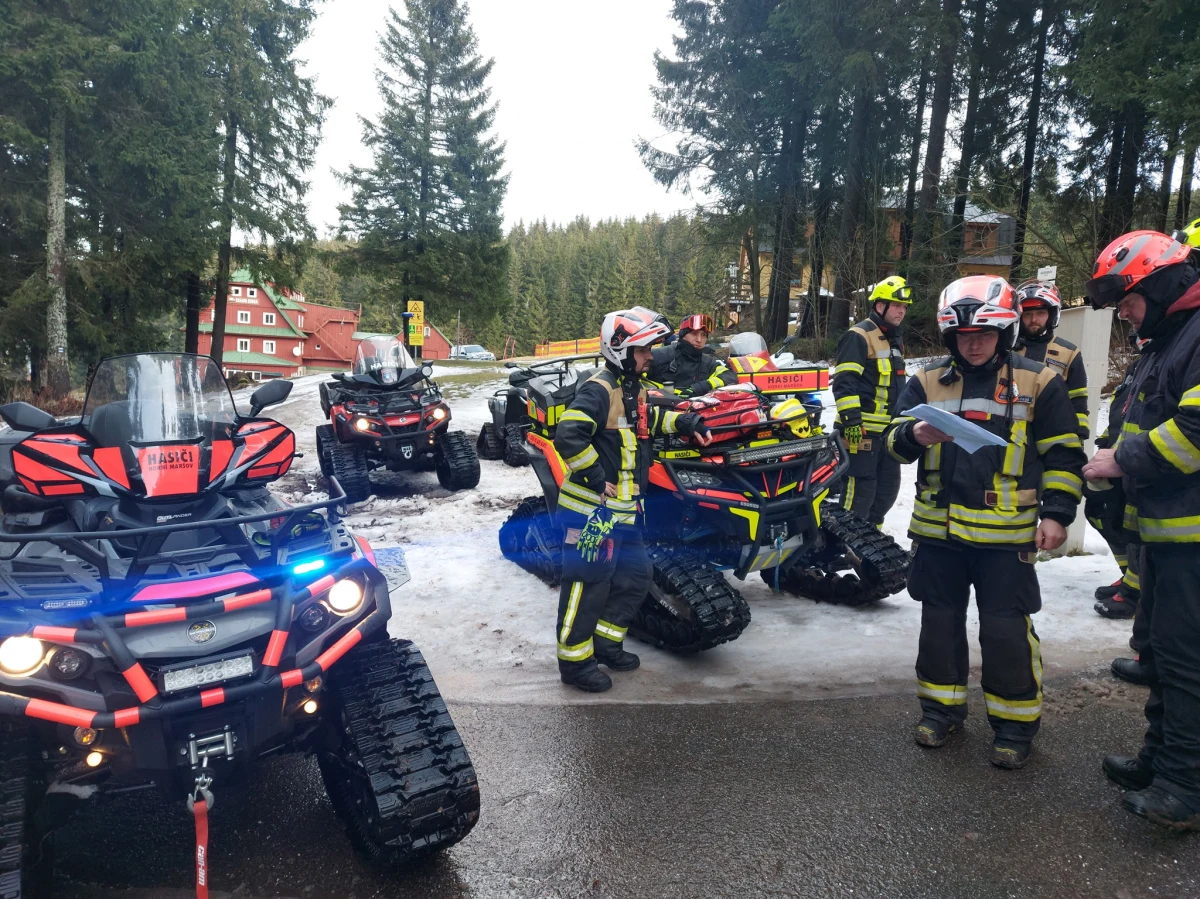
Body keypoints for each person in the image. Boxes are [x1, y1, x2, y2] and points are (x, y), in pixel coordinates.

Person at [886, 275, 1086, 769]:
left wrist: (1058, 514)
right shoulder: (926, 381)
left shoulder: (1039, 382)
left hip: (1006, 537)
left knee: (1005, 633)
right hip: (939, 534)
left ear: (1005, 332)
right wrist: (914, 434)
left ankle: (1014, 727)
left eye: (984, 334)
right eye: (962, 336)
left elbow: (1064, 455)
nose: (972, 344)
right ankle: (940, 712)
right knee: (938, 627)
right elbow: (893, 440)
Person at [1082, 229, 1200, 830]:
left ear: (1157, 285)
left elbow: (1195, 433)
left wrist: (1121, 461)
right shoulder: (1171, 339)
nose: (1123, 314)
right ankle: (1160, 762)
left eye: (1127, 301)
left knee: (1187, 661)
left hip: (1193, 543)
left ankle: (1186, 786)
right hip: (1167, 536)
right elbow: (1138, 418)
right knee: (1159, 654)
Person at [552, 307, 712, 692]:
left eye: (650, 349)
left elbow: (648, 422)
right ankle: (574, 663)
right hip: (591, 515)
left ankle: (606, 644)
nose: (650, 357)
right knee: (588, 585)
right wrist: (595, 476)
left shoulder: (632, 388)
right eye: (643, 350)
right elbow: (568, 435)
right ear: (621, 349)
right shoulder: (599, 388)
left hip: (622, 513)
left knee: (636, 577)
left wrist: (686, 421)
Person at [831, 275, 911, 526]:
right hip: (860, 434)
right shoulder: (858, 336)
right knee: (859, 498)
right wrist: (852, 422)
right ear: (879, 306)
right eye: (896, 305)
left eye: (904, 307)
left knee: (885, 495)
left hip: (887, 436)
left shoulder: (894, 340)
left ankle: (871, 544)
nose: (902, 311)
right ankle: (843, 544)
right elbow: (844, 383)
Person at [1084, 349, 1142, 621]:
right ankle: (1128, 574)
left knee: (1135, 527)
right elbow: (1123, 412)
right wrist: (1107, 443)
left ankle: (1135, 591)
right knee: (1100, 513)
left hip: (1142, 462)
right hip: (1117, 457)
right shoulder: (1138, 367)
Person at [645, 313, 736, 395]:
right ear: (682, 335)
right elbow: (639, 382)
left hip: (698, 408)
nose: (699, 340)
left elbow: (730, 376)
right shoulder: (658, 356)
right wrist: (668, 393)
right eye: (694, 333)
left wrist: (701, 387)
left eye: (703, 335)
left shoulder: (708, 363)